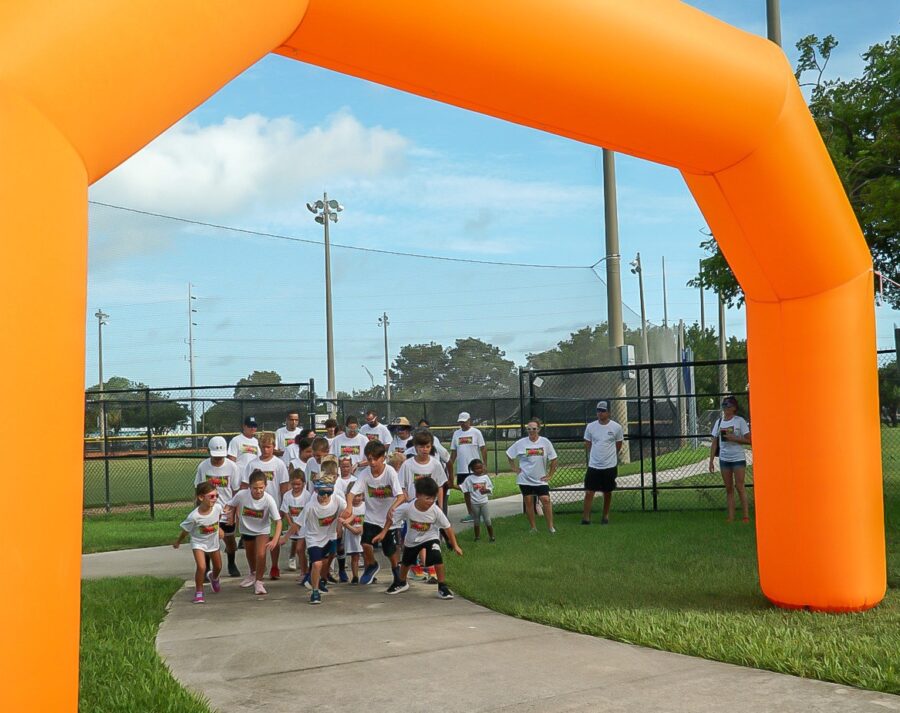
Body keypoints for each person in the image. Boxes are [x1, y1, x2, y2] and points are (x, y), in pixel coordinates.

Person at [373, 476, 463, 599]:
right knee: (406, 563)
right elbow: (391, 518)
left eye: (433, 498)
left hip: (430, 537)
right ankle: (402, 582)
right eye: (427, 498)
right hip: (412, 541)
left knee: (437, 557)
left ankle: (442, 586)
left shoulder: (435, 510)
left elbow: (448, 528)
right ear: (417, 495)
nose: (431, 501)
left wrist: (455, 545)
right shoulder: (407, 508)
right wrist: (383, 533)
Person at [344, 440, 407, 586]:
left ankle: (397, 574)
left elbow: (401, 495)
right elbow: (351, 493)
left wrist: (393, 507)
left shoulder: (390, 472)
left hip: (389, 520)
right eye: (369, 458)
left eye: (375, 459)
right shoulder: (365, 474)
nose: (372, 462)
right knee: (365, 543)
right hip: (372, 517)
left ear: (383, 458)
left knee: (389, 551)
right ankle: (372, 564)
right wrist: (349, 507)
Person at [240, 432, 289, 579]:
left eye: (269, 447)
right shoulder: (252, 464)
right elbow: (244, 485)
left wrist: (282, 508)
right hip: (255, 507)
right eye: (263, 447)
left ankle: (274, 565)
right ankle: (256, 568)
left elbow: (284, 487)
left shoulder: (279, 464)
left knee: (274, 538)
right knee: (255, 540)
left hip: (272, 505)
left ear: (274, 447)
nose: (266, 450)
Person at [225, 470, 282, 595]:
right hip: (246, 529)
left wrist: (275, 540)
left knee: (261, 554)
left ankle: (259, 582)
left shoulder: (269, 500)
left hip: (262, 530)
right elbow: (230, 505)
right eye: (255, 488)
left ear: (265, 486)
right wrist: (228, 514)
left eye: (261, 488)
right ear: (249, 487)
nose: (258, 491)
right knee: (250, 554)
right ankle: (253, 573)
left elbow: (278, 522)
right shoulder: (241, 495)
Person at [194, 435, 242, 576]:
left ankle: (231, 562)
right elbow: (198, 488)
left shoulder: (232, 467)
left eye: (221, 456)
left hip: (226, 509)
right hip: (208, 509)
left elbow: (236, 491)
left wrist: (234, 512)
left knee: (230, 539)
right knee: (208, 539)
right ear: (209, 452)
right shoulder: (203, 466)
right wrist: (199, 509)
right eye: (215, 456)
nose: (218, 459)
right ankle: (207, 569)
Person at [297, 466, 346, 605]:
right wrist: (286, 538)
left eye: (328, 493)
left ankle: (317, 579)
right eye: (323, 492)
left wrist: (343, 523)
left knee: (327, 560)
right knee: (317, 563)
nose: (325, 496)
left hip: (330, 535)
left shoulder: (336, 495)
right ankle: (315, 591)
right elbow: (300, 522)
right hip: (314, 535)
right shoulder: (312, 502)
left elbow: (346, 509)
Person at [173, 481, 224, 604]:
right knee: (202, 567)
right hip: (198, 543)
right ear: (201, 497)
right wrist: (178, 542)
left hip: (213, 541)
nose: (215, 499)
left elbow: (218, 518)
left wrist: (220, 528)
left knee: (218, 566)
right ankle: (199, 592)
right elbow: (185, 531)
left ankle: (214, 577)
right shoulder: (194, 516)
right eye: (211, 496)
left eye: (216, 496)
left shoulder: (217, 508)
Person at [507, 418, 558, 533]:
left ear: (538, 429)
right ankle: (533, 528)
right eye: (529, 429)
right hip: (525, 479)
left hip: (540, 479)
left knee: (545, 499)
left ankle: (550, 527)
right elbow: (509, 455)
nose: (531, 431)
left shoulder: (545, 442)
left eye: (534, 429)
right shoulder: (521, 443)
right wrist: (514, 468)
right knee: (529, 501)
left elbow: (554, 459)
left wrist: (550, 475)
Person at [709, 395, 752, 522]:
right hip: (724, 459)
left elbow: (749, 440)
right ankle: (731, 516)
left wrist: (735, 438)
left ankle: (746, 515)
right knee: (729, 488)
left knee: (740, 486)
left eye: (728, 406)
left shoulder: (740, 421)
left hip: (737, 458)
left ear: (734, 408)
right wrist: (711, 460)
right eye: (724, 406)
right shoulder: (719, 422)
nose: (725, 409)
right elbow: (714, 442)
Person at [582, 401, 624, 525]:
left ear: (609, 412)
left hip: (609, 466)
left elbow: (618, 444)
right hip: (594, 465)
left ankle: (605, 516)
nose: (600, 413)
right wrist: (594, 455)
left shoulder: (616, 427)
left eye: (603, 411)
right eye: (598, 411)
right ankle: (586, 518)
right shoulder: (590, 427)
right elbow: (588, 443)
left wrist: (609, 457)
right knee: (589, 491)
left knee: (607, 491)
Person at [448, 412, 487, 523]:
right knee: (466, 491)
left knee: (478, 490)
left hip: (475, 468)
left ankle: (481, 513)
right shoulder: (456, 434)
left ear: (469, 420)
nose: (462, 424)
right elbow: (454, 451)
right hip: (462, 468)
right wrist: (450, 465)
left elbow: (483, 448)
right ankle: (471, 513)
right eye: (461, 422)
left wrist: (484, 464)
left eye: (464, 422)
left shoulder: (476, 432)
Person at [280, 470, 311, 574]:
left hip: (305, 527)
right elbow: (286, 512)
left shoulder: (307, 496)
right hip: (293, 526)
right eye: (293, 484)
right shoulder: (287, 496)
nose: (296, 486)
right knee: (298, 549)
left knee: (300, 549)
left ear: (304, 483)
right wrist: (292, 525)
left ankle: (305, 572)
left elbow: (308, 514)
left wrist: (299, 526)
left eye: (298, 484)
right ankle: (304, 572)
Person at [460, 459, 495, 541]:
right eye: (477, 468)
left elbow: (490, 488)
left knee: (487, 520)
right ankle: (477, 537)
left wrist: (487, 490)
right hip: (474, 503)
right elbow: (464, 488)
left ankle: (492, 536)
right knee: (476, 520)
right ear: (472, 469)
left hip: (484, 502)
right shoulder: (469, 479)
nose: (479, 470)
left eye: (480, 468)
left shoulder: (485, 477)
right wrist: (452, 485)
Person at [340, 492, 366, 584]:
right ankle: (355, 576)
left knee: (366, 555)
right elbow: (341, 520)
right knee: (355, 557)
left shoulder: (365, 506)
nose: (356, 498)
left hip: (364, 533)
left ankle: (368, 574)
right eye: (354, 496)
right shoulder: (347, 508)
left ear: (363, 495)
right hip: (351, 535)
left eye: (359, 496)